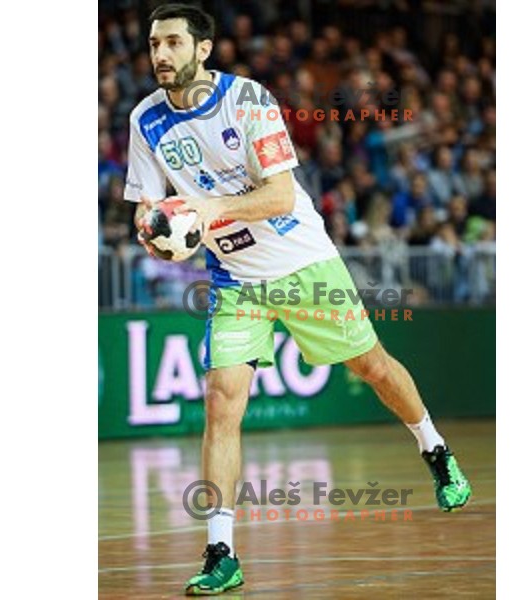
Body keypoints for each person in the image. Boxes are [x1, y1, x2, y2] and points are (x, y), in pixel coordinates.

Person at [124, 4, 471, 595]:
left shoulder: (248, 101)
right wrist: (154, 231)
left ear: (202, 50)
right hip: (234, 278)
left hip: (303, 263)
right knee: (221, 401)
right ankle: (221, 550)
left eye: (174, 44)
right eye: (155, 44)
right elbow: (146, 203)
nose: (161, 55)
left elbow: (281, 196)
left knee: (373, 367)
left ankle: (434, 448)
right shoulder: (145, 120)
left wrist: (209, 210)